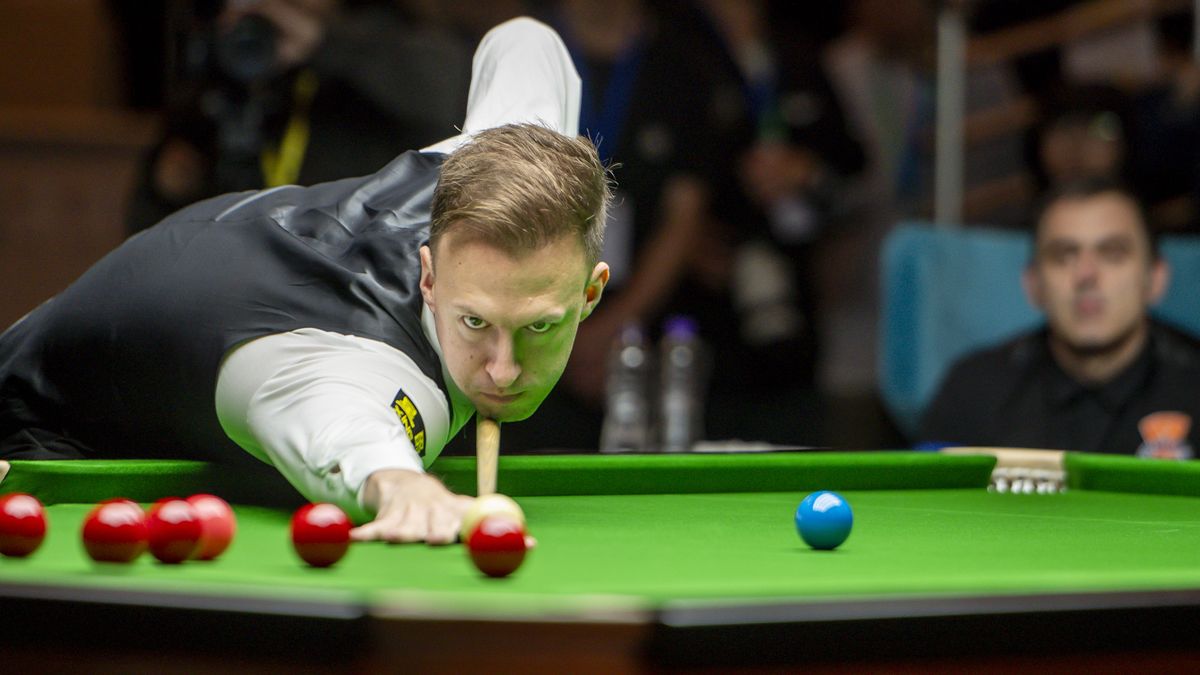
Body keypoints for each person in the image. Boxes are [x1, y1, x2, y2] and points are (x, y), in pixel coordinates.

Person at [0, 18, 610, 543]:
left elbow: (526, 43)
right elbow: (342, 432)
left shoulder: (504, 163)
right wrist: (400, 487)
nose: (502, 369)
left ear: (591, 292)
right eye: (474, 321)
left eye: (538, 326)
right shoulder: (365, 370)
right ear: (429, 278)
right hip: (38, 430)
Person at [918, 179, 1200, 457]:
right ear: (1033, 284)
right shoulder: (974, 390)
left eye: (1113, 253)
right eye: (1064, 256)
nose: (1086, 275)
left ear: (1156, 279)